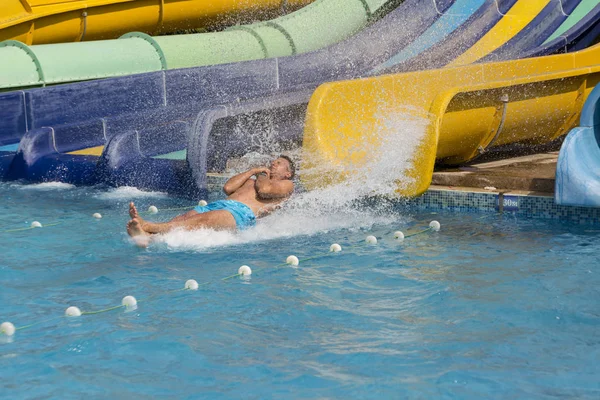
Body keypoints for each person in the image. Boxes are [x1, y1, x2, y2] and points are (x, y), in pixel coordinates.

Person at [126, 155, 295, 245]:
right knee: (182, 219)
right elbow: (228, 188)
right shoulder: (254, 179)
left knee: (198, 221)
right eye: (273, 161)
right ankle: (146, 238)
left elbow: (265, 191)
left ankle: (148, 225)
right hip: (221, 204)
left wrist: (263, 175)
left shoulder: (286, 184)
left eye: (278, 163)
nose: (273, 163)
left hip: (240, 213)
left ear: (287, 173)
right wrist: (253, 170)